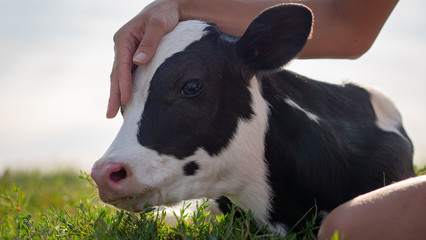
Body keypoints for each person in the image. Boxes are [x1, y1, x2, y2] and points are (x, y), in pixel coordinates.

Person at [107, 0, 426, 239]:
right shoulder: (228, 198)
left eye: (191, 87)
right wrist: (176, 6)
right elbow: (348, 23)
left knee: (345, 229)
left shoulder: (380, 148)